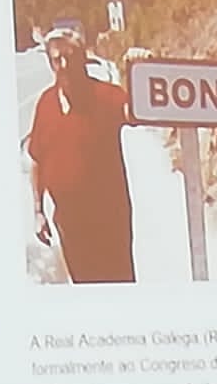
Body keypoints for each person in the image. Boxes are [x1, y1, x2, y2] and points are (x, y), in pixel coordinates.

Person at [25, 27, 135, 284]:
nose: (64, 66)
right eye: (57, 60)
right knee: (84, 287)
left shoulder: (105, 95)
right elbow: (37, 159)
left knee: (119, 287)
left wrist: (137, 72)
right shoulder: (46, 103)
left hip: (109, 222)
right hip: (69, 224)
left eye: (70, 58)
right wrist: (38, 211)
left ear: (83, 58)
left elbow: (136, 112)